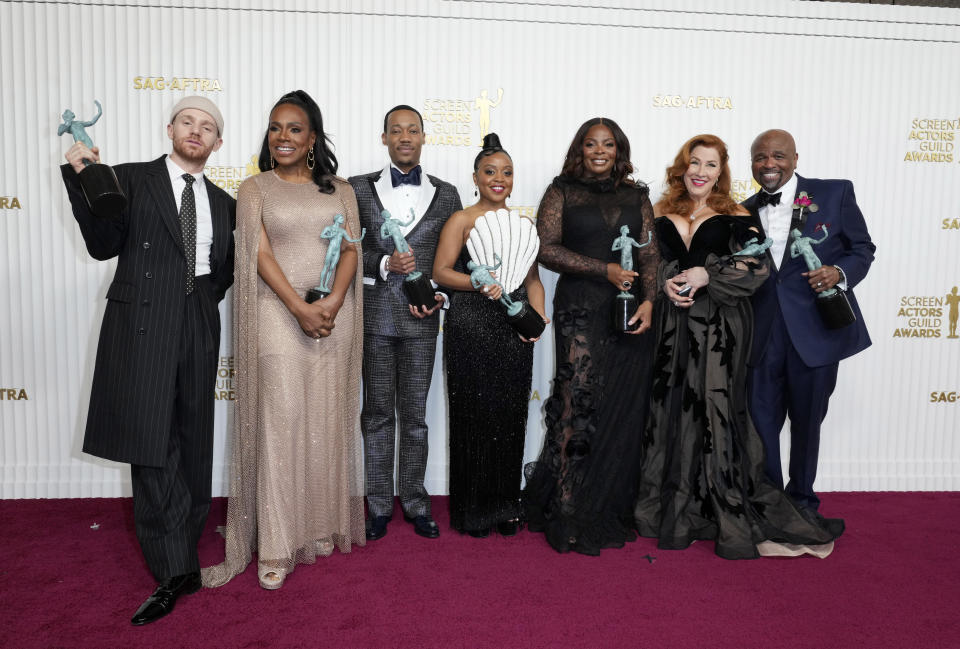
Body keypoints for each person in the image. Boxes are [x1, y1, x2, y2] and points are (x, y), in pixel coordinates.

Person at [60, 96, 235, 624]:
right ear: (170, 129)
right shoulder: (130, 178)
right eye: (188, 121)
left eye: (208, 127)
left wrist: (199, 303)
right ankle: (174, 569)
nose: (196, 131)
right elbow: (102, 244)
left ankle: (184, 543)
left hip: (199, 321)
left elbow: (221, 270)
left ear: (217, 143)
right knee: (153, 446)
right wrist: (83, 176)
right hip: (143, 325)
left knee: (195, 442)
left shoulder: (226, 202)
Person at [633, 134, 844, 559]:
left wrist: (706, 275)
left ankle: (720, 504)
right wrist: (664, 285)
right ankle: (673, 506)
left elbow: (757, 265)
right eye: (695, 162)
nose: (701, 172)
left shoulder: (736, 211)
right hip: (671, 328)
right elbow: (642, 263)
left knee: (712, 410)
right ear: (683, 166)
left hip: (718, 329)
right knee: (670, 410)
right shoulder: (656, 211)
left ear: (721, 172)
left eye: (711, 165)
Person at [202, 90, 365, 590]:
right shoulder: (255, 189)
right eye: (275, 128)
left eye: (294, 128)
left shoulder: (340, 189)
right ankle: (274, 541)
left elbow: (353, 250)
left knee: (323, 417)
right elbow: (258, 254)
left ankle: (315, 528)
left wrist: (333, 304)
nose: (283, 137)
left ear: (312, 137)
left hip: (333, 314)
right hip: (277, 311)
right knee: (280, 420)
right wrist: (299, 307)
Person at [522, 117, 660, 555]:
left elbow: (651, 253)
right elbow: (545, 247)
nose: (599, 151)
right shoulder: (561, 189)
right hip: (580, 307)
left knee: (620, 406)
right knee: (575, 404)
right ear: (579, 149)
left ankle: (608, 503)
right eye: (590, 143)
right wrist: (605, 270)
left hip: (628, 310)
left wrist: (649, 301)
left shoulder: (637, 195)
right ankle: (567, 507)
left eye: (608, 144)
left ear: (619, 149)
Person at [743, 129, 875, 518]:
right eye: (760, 157)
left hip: (816, 331)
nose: (769, 164)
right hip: (762, 333)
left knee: (807, 421)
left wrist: (838, 271)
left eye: (778, 156)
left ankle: (802, 501)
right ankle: (768, 504)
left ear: (796, 159)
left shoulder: (835, 193)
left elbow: (863, 248)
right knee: (761, 422)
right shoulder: (741, 209)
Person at [349, 105, 463, 541]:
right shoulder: (358, 189)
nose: (404, 137)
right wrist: (382, 263)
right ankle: (378, 505)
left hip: (423, 321)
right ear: (384, 138)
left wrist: (439, 294)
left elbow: (453, 259)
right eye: (396, 130)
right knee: (377, 415)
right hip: (376, 319)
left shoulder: (448, 193)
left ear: (422, 136)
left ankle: (415, 502)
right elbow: (345, 253)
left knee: (415, 417)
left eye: (412, 130)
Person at [433, 133, 547, 538]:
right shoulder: (461, 220)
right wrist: (478, 284)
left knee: (509, 415)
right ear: (476, 177)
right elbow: (442, 273)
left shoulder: (523, 224)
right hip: (471, 323)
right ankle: (475, 511)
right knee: (474, 416)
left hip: (514, 325)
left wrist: (539, 318)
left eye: (507, 172)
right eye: (490, 172)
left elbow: (532, 279)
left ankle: (504, 505)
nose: (499, 179)